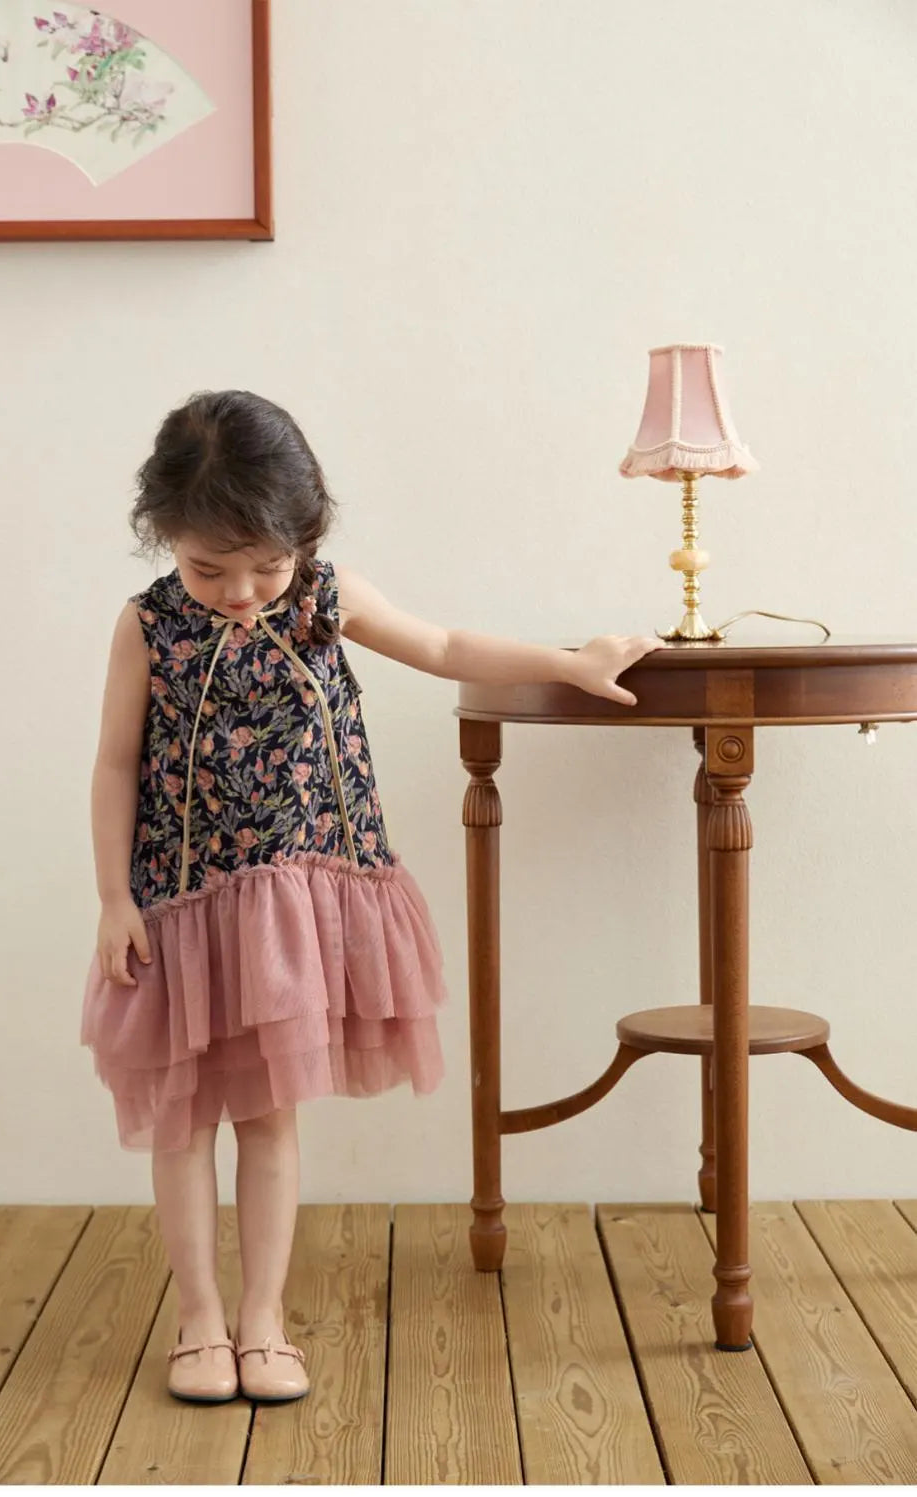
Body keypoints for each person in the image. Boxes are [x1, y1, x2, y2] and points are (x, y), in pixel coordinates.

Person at [80, 389, 662, 1406]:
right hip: (178, 902)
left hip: (293, 904)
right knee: (181, 1119)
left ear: (305, 540)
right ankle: (198, 1318)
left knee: (266, 1114)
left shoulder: (324, 597)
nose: (242, 594)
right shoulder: (148, 626)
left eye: (267, 566)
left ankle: (262, 1318)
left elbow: (442, 648)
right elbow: (115, 764)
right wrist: (111, 900)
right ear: (166, 538)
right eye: (210, 569)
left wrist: (570, 665)